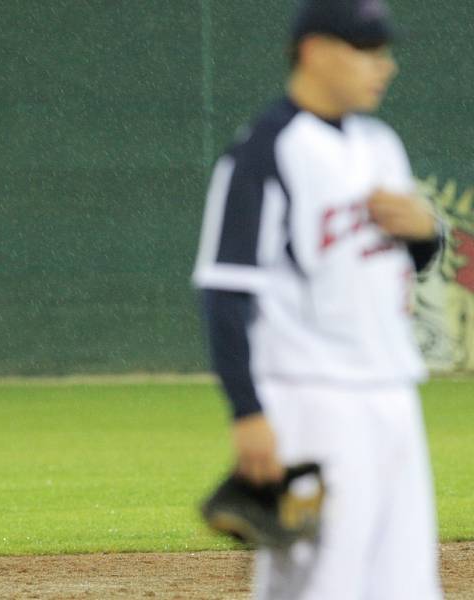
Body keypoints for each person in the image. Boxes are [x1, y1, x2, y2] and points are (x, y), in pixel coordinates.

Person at [192, 1, 443, 598]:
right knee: (320, 584)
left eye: (383, 51)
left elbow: (397, 266)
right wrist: (248, 413)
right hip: (313, 399)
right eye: (365, 49)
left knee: (406, 583)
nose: (383, 66)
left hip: (394, 392)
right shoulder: (266, 150)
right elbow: (224, 291)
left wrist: (425, 232)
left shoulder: (381, 143)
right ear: (314, 51)